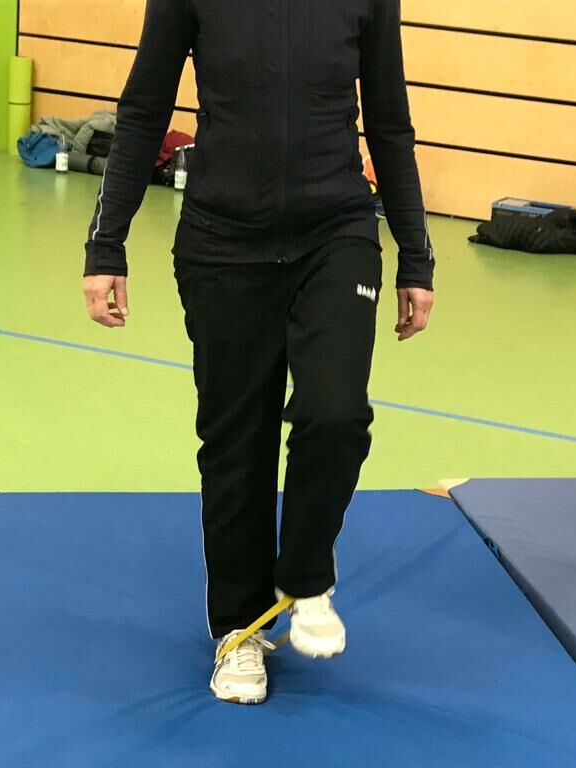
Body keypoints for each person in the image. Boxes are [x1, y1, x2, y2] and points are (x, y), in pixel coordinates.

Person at [82, 0, 435, 703]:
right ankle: (239, 632)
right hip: (221, 241)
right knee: (235, 442)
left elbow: (389, 121)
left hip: (336, 231)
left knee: (335, 413)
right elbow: (144, 109)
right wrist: (106, 244)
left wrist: (416, 257)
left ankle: (306, 575)